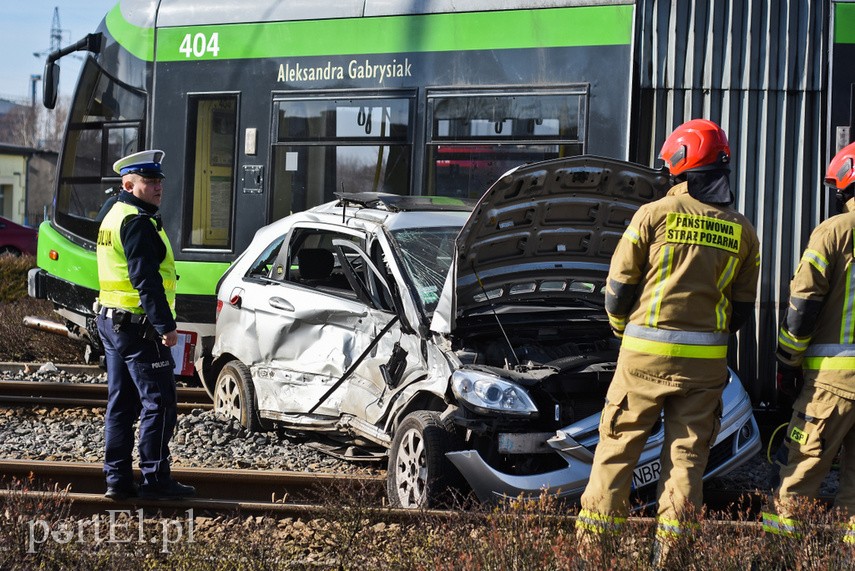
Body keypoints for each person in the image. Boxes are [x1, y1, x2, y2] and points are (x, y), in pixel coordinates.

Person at [574, 119, 761, 563]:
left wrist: (624, 333)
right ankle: (672, 558)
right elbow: (741, 313)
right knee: (686, 465)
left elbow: (617, 292)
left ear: (680, 163)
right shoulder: (742, 230)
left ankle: (592, 557)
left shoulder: (652, 215)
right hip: (705, 370)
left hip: (642, 361)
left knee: (616, 454)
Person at [762, 141, 855, 545]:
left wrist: (787, 361)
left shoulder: (835, 231)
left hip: (831, 388)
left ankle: (777, 558)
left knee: (794, 479)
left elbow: (802, 307)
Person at [96, 149, 195, 500]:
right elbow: (146, 281)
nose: (157, 187)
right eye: (149, 181)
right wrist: (165, 326)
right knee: (161, 402)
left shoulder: (113, 213)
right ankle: (155, 480)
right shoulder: (136, 222)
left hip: (111, 321)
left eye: (159, 181)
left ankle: (117, 482)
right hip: (138, 327)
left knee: (121, 404)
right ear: (128, 184)